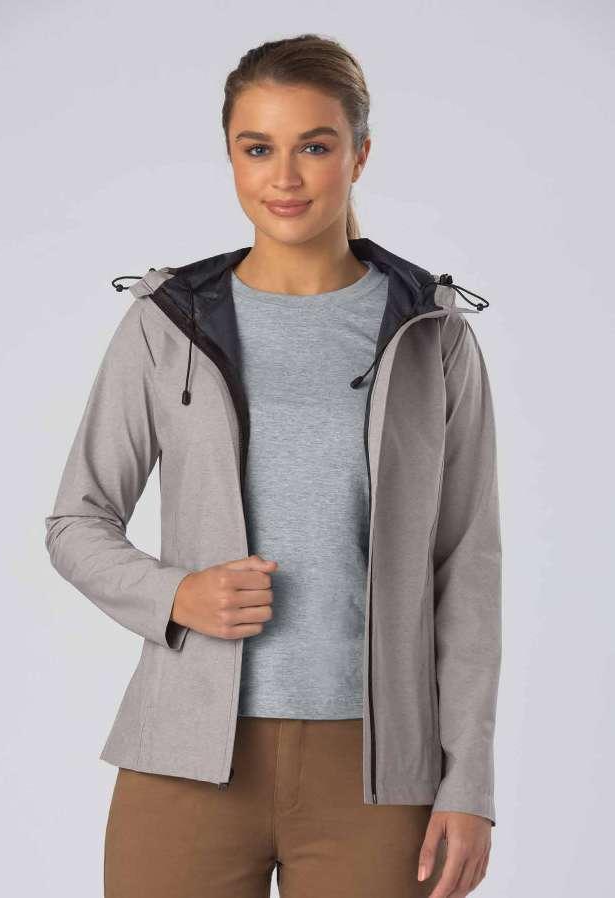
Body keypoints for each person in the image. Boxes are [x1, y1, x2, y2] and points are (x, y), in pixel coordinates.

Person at [44, 33, 502, 898]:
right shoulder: (166, 323)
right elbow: (76, 521)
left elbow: (466, 565)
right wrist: (174, 594)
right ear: (230, 156)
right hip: (184, 759)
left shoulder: (432, 334)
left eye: (314, 147)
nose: (284, 177)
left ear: (359, 155)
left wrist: (468, 781)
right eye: (257, 148)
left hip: (376, 772)